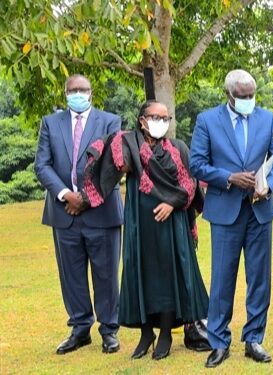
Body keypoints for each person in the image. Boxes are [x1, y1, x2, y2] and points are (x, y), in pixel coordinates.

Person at [79, 100, 208, 361]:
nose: (161, 122)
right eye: (155, 117)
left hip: (172, 222)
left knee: (169, 273)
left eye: (165, 118)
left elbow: (190, 185)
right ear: (141, 120)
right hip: (140, 218)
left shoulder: (178, 147)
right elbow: (113, 158)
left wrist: (171, 203)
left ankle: (166, 335)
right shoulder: (129, 144)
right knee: (141, 271)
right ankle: (146, 332)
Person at [190, 69, 273, 368]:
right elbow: (196, 164)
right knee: (222, 279)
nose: (248, 100)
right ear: (228, 95)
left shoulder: (268, 119)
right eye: (242, 96)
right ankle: (218, 341)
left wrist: (267, 185)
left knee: (259, 277)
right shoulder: (207, 120)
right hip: (225, 211)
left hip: (259, 211)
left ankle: (254, 337)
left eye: (251, 95)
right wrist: (228, 177)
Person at [34, 74, 123, 355]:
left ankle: (109, 329)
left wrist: (85, 198)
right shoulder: (50, 123)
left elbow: (114, 165)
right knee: (71, 274)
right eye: (72, 89)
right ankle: (80, 328)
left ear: (91, 92)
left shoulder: (110, 121)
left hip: (102, 211)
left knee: (106, 274)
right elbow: (42, 165)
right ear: (65, 93)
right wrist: (65, 195)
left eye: (82, 89)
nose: (78, 93)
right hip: (63, 212)